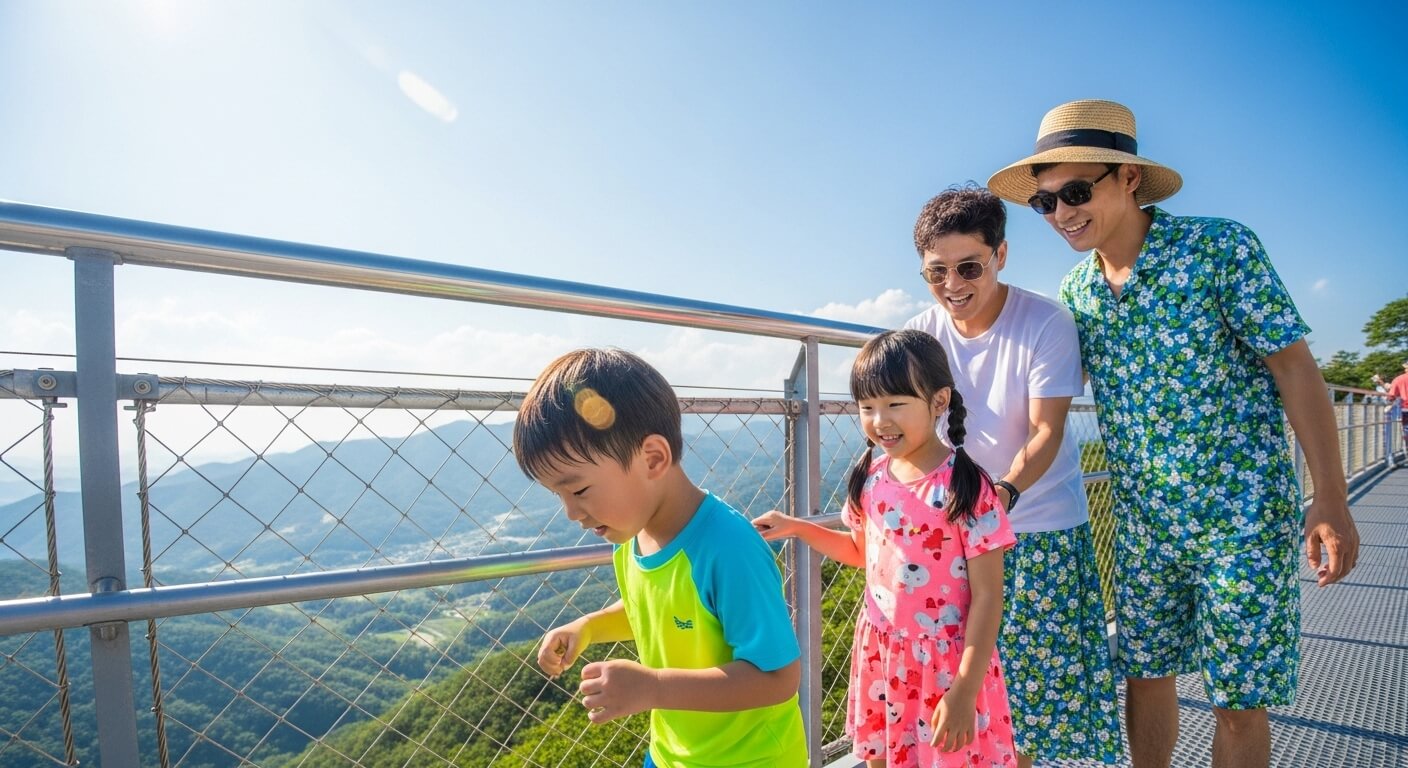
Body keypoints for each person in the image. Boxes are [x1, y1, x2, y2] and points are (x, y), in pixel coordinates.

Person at [988, 99, 1361, 768]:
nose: (1062, 213)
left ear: (1128, 178)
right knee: (1146, 676)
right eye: (1045, 203)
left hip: (1240, 518)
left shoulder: (1219, 248)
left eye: (1076, 192)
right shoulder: (1077, 293)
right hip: (1142, 527)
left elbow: (1295, 368)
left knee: (1238, 701)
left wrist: (1328, 497)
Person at [901, 185, 1122, 767]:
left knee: (1028, 711)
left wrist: (998, 497)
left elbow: (1046, 431)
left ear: (1001, 254)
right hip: (955, 535)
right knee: (960, 698)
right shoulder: (922, 335)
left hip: (1037, 528)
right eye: (936, 273)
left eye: (968, 266)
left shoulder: (1046, 322)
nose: (953, 285)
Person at [516, 348, 807, 768]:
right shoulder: (630, 540)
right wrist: (588, 627)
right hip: (671, 754)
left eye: (578, 490)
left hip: (752, 759)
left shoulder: (728, 547)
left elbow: (778, 678)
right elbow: (654, 610)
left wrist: (652, 687)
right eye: (557, 495)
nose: (572, 513)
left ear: (652, 458)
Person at [754, 329, 1017, 768]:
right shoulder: (871, 478)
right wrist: (797, 527)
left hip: (948, 665)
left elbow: (989, 596)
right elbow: (861, 553)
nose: (880, 420)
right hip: (886, 655)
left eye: (895, 404)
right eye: (867, 407)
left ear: (938, 402)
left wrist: (966, 688)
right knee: (888, 757)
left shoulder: (966, 488)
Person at [1384, 360, 1408, 445]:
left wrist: (1389, 403)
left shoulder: (1399, 379)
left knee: (1406, 429)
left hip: (1405, 409)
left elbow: (1391, 396)